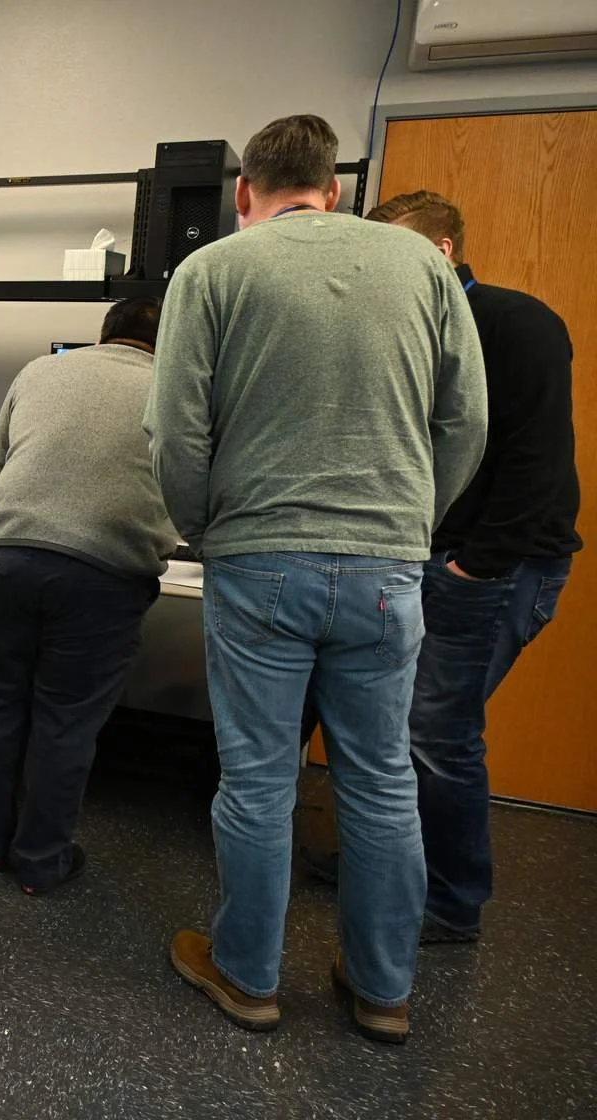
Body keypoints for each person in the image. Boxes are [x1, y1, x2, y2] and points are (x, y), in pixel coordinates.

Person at [144, 114, 488, 1043]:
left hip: (258, 557)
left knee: (259, 780)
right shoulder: (420, 267)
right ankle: (384, 991)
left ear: (245, 195)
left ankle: (249, 976)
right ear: (333, 189)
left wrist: (203, 529)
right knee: (381, 780)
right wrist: (409, 524)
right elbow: (466, 421)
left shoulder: (213, 270)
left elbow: (175, 431)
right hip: (386, 565)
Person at [358, 191, 578, 942]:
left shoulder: (517, 326)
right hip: (426, 556)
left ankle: (448, 904)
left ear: (443, 251)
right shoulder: (413, 331)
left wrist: (474, 571)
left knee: (437, 734)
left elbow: (535, 465)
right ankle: (395, 872)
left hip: (493, 568)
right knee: (396, 731)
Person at [0, 297, 176, 893]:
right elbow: (190, 487)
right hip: (102, 572)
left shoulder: (40, 370)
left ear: (104, 335)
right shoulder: (177, 389)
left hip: (5, 552)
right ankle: (40, 862)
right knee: (66, 721)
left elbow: (2, 464)